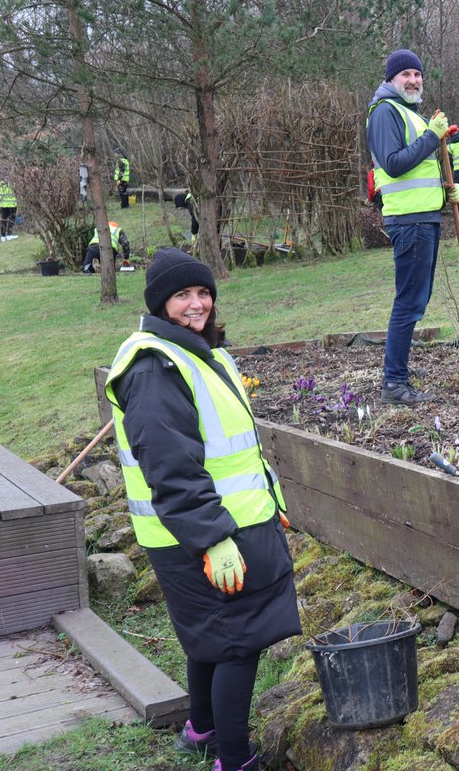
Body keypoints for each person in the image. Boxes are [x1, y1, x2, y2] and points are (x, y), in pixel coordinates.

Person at [104, 248, 300, 771]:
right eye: (182, 295)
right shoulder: (153, 367)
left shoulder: (198, 351)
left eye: (203, 292)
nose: (197, 304)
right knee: (239, 642)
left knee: (210, 637)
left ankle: (203, 731)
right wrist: (212, 538)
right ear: (159, 303)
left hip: (232, 521)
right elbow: (171, 469)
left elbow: (231, 447)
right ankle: (233, 760)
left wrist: (270, 503)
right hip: (202, 533)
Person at [365, 48, 459, 406]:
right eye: (405, 74)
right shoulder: (384, 113)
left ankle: (399, 366)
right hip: (409, 222)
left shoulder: (410, 114)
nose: (413, 80)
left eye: (418, 74)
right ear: (391, 80)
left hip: (425, 217)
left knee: (416, 300)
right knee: (409, 302)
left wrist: (446, 191)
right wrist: (431, 138)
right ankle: (394, 383)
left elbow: (419, 169)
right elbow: (393, 165)